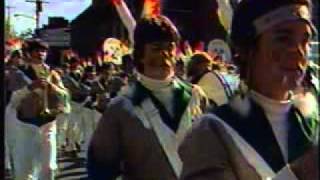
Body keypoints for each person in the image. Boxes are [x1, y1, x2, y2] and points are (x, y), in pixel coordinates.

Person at [179, 0, 319, 179]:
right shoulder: (213, 133)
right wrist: (300, 172)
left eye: (306, 41)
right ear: (245, 49)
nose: (299, 52)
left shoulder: (312, 120)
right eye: (283, 38)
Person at [87, 15, 208, 180]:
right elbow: (100, 170)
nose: (165, 54)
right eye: (156, 48)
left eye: (170, 47)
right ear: (141, 54)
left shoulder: (196, 95)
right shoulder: (120, 108)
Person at [6, 38, 70, 179]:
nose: (41, 54)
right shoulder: (18, 73)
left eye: (43, 51)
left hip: (48, 123)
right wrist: (30, 88)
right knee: (25, 169)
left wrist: (51, 86)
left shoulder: (52, 73)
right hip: (26, 124)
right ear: (29, 53)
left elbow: (65, 95)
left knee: (49, 167)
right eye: (37, 50)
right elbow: (13, 101)